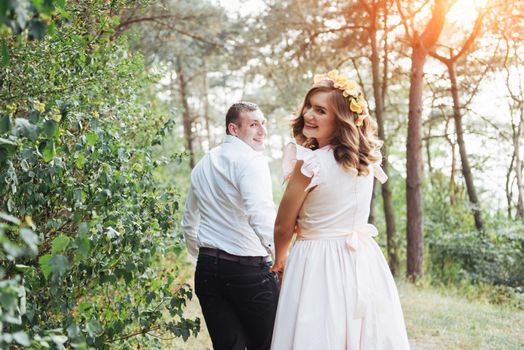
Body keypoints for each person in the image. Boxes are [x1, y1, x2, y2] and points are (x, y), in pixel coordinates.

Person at [270, 70, 410, 349]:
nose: (309, 114)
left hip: (316, 260)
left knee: (319, 330)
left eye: (320, 110)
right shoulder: (366, 163)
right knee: (357, 331)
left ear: (341, 120)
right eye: (309, 106)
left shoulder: (310, 165)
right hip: (361, 257)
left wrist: (280, 260)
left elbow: (283, 225)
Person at [182, 102, 279, 350]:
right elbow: (260, 214)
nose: (262, 131)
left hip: (207, 273)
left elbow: (189, 221)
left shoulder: (203, 164)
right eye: (253, 125)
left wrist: (204, 257)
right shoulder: (251, 161)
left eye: (263, 124)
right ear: (233, 129)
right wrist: (280, 258)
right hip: (248, 271)